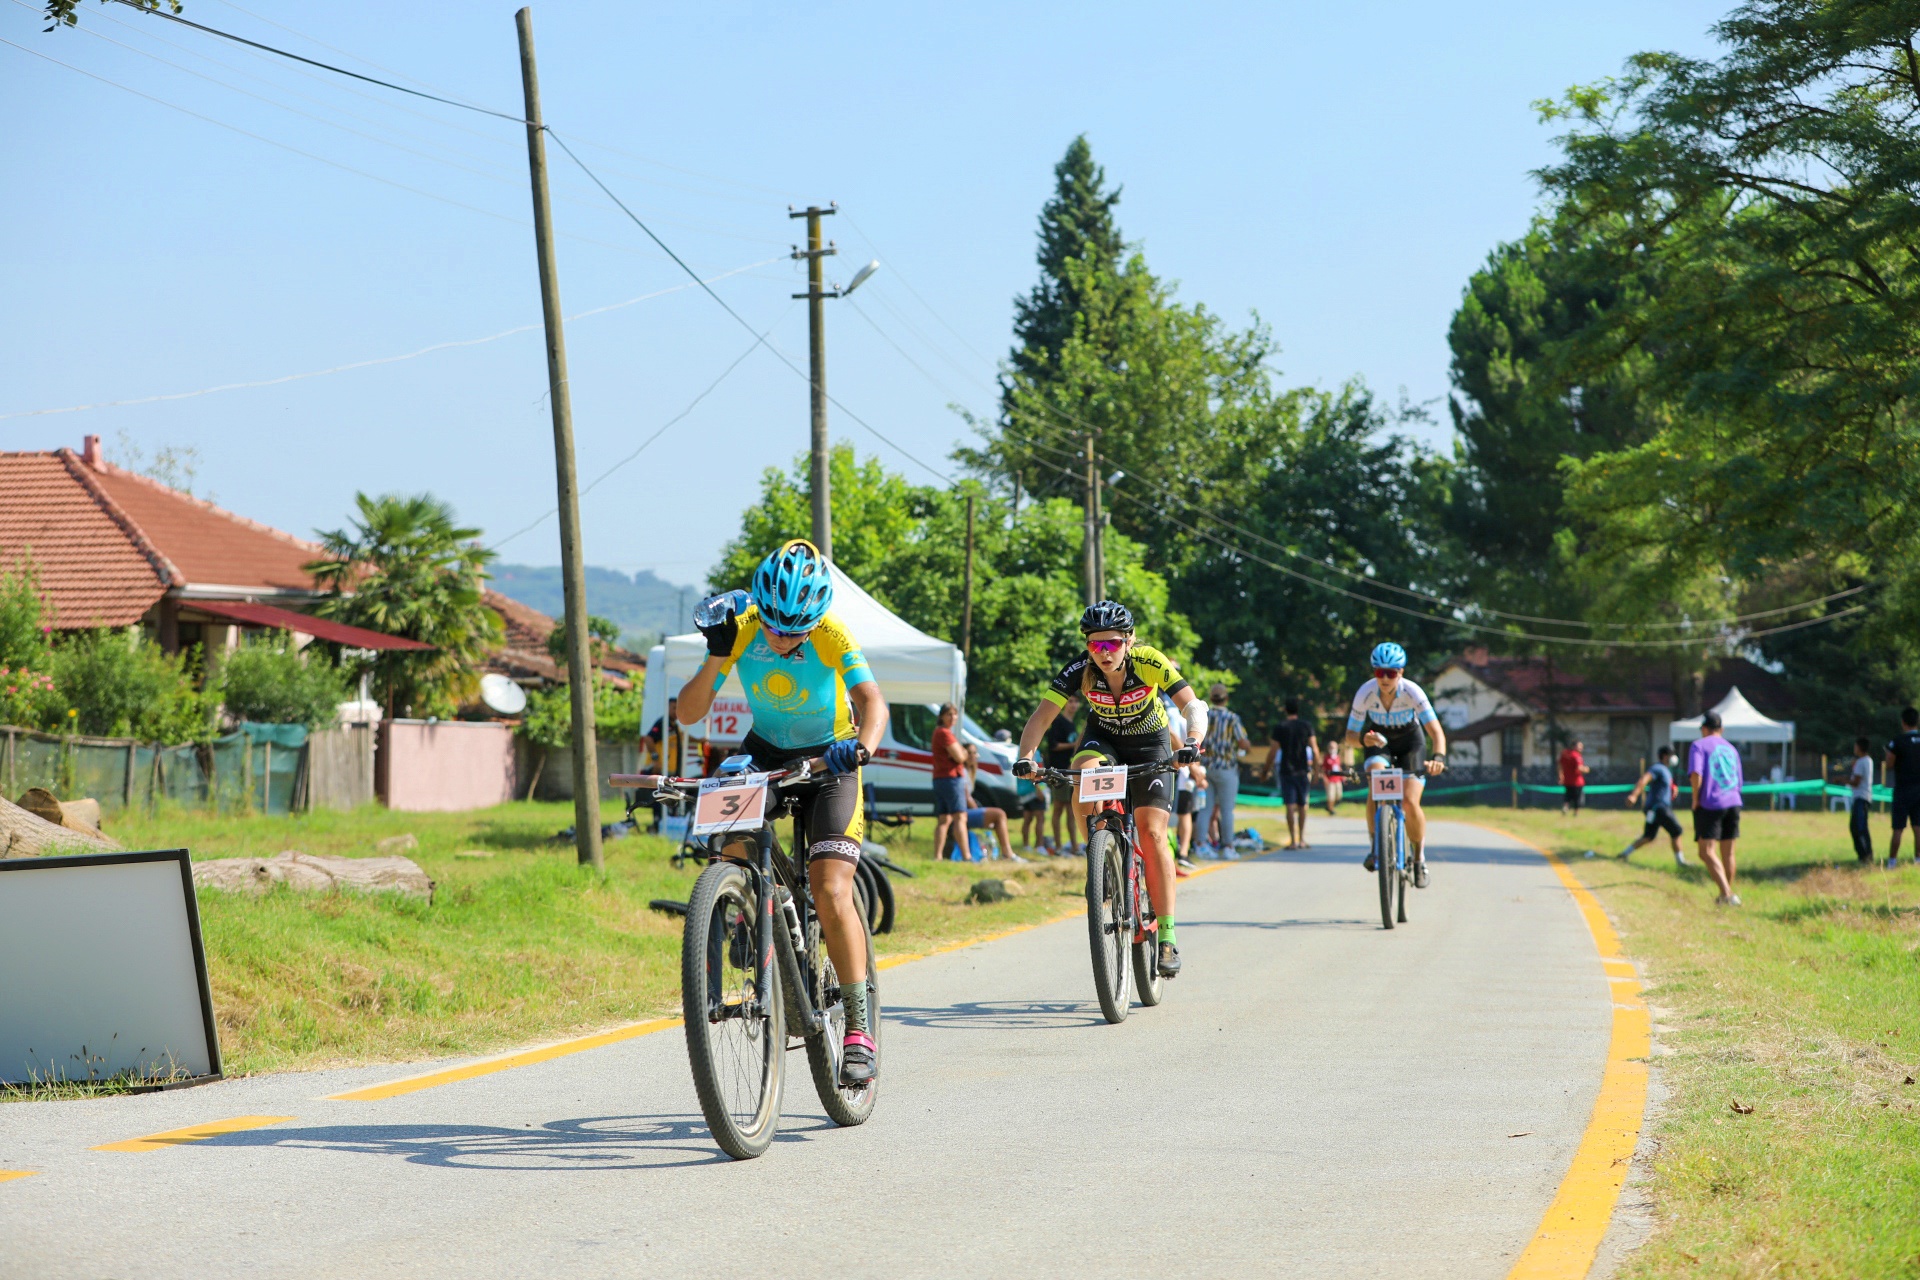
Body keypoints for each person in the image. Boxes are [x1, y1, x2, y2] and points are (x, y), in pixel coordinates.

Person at [678, 538, 885, 1087]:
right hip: (766, 752)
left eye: (797, 629)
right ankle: (752, 904)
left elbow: (873, 701)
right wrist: (719, 655)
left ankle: (859, 1029)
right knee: (725, 829)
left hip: (831, 757)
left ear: (815, 618)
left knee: (831, 887)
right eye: (774, 625)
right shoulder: (743, 627)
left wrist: (862, 745)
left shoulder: (831, 634)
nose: (785, 636)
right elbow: (689, 715)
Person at [1014, 600, 1207, 977]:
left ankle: (1166, 936)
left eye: (1112, 644)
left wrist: (1193, 742)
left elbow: (1192, 705)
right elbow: (1042, 716)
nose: (1103, 653)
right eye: (1095, 645)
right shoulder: (1077, 670)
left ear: (1129, 641)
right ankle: (1100, 854)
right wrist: (1026, 757)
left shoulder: (1149, 661)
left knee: (1152, 832)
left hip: (1151, 744)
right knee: (1082, 774)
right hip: (1103, 740)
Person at [1345, 642, 1448, 887]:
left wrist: (1439, 759)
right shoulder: (1365, 693)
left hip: (1411, 744)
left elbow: (1436, 732)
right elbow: (1349, 736)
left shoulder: (1413, 692)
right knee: (1375, 782)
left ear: (1400, 673)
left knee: (1410, 802)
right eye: (1379, 672)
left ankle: (1419, 859)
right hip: (1379, 742)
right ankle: (1376, 847)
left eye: (1391, 673)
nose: (1385, 678)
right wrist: (1362, 739)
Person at [1688, 711, 1745, 905]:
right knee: (1728, 853)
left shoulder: (1698, 745)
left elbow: (1696, 773)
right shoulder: (1732, 749)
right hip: (1734, 800)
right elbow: (1739, 779)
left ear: (1704, 729)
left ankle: (1727, 894)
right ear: (1721, 729)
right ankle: (1725, 896)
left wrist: (1695, 798)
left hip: (1711, 802)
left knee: (1706, 851)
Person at [1197, 683, 1252, 859]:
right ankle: (1228, 846)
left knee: (1205, 809)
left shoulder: (1205, 715)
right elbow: (1243, 742)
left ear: (1211, 698)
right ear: (1226, 698)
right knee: (1227, 810)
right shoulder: (1232, 718)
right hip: (1227, 768)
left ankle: (1201, 844)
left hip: (1206, 767)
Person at [1620, 745, 1684, 866]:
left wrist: (1673, 789)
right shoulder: (1657, 768)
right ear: (1665, 756)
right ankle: (1681, 862)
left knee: (1649, 836)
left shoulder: (1666, 771)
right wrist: (1634, 795)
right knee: (1676, 830)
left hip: (1654, 810)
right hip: (1659, 807)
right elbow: (1643, 780)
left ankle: (1624, 854)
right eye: (1671, 755)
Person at [1270, 698, 1317, 850]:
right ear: (1298, 710)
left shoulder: (1280, 727)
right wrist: (1317, 771)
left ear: (1285, 710)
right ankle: (1302, 838)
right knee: (1302, 805)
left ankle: (1293, 840)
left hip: (1286, 770)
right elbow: (1315, 750)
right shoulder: (1306, 726)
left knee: (1290, 806)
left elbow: (1273, 750)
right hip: (1303, 770)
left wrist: (1265, 770)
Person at [961, 743, 1020, 861]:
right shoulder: (962, 772)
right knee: (999, 814)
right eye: (969, 753)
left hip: (965, 812)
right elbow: (967, 797)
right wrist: (978, 812)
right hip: (962, 813)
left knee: (998, 816)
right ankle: (1007, 853)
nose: (972, 756)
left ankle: (1004, 852)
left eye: (974, 753)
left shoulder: (969, 771)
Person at [929, 703, 969, 862]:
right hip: (951, 779)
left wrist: (961, 752)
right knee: (960, 817)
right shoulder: (944, 733)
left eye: (954, 714)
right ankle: (967, 856)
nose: (952, 718)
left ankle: (938, 856)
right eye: (949, 714)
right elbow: (960, 757)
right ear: (941, 716)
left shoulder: (938, 733)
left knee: (944, 819)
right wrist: (964, 753)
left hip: (939, 779)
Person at [1885, 707, 1920, 869]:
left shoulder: (1898, 741)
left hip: (1903, 789)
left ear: (1903, 722)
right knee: (1918, 827)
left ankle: (1892, 862)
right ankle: (1918, 860)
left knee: (1898, 828)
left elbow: (1889, 763)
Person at [1044, 711, 1083, 857]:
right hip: (1059, 771)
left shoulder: (1072, 723)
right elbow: (1053, 745)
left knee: (1071, 809)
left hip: (1070, 770)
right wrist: (1074, 745)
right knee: (1058, 809)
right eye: (1070, 701)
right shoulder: (1058, 722)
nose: (1073, 705)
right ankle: (1059, 846)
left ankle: (1074, 845)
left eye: (1075, 702)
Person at [1847, 735, 1875, 864]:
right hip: (1864, 797)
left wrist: (1841, 779)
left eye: (1855, 745)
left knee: (1858, 828)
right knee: (1859, 827)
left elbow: (1856, 782)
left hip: (1860, 798)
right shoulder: (1868, 760)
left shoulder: (1861, 761)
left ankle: (1865, 856)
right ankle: (1865, 856)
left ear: (1859, 747)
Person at [1559, 740, 1591, 814]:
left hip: (1567, 780)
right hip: (1577, 781)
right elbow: (1579, 768)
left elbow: (1560, 765)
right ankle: (1576, 813)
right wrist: (1586, 769)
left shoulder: (1564, 753)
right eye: (1580, 746)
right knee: (1577, 798)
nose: (1581, 748)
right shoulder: (1576, 755)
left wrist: (1561, 775)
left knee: (1567, 796)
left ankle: (1565, 807)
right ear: (1574, 746)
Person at [1320, 733, 1346, 815]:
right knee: (1331, 796)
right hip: (1330, 779)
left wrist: (1343, 777)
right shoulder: (1326, 758)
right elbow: (1323, 769)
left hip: (1337, 779)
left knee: (1339, 795)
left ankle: (1330, 807)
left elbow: (1339, 767)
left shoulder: (1337, 757)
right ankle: (1331, 809)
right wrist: (1325, 779)